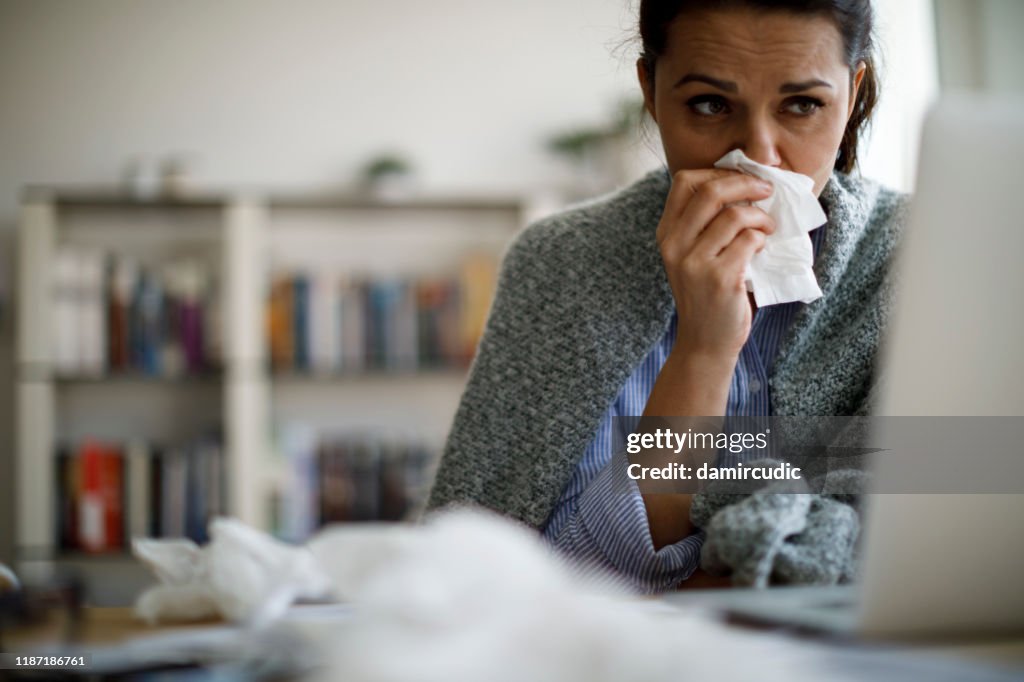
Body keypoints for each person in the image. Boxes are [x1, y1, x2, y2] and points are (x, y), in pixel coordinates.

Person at [428, 0, 906, 592]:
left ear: (853, 93)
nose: (759, 156)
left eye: (802, 105)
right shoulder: (563, 262)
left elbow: (945, 523)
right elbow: (515, 575)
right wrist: (704, 349)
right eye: (709, 104)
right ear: (651, 91)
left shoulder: (918, 259)